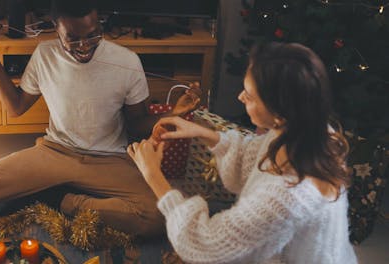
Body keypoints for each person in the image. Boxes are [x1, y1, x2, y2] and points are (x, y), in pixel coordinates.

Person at [0, 0, 199, 237]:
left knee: (162, 213)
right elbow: (15, 107)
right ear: (57, 28)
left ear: (99, 22)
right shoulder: (45, 54)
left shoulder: (126, 60)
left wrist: (174, 113)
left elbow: (137, 124)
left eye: (93, 36)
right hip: (55, 152)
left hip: (110, 159)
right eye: (73, 39)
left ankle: (58, 199)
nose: (84, 47)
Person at [128, 42, 358, 263]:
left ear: (279, 111)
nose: (240, 97)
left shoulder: (289, 196)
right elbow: (253, 157)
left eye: (249, 95)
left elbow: (204, 244)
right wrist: (203, 132)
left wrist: (153, 175)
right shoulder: (304, 130)